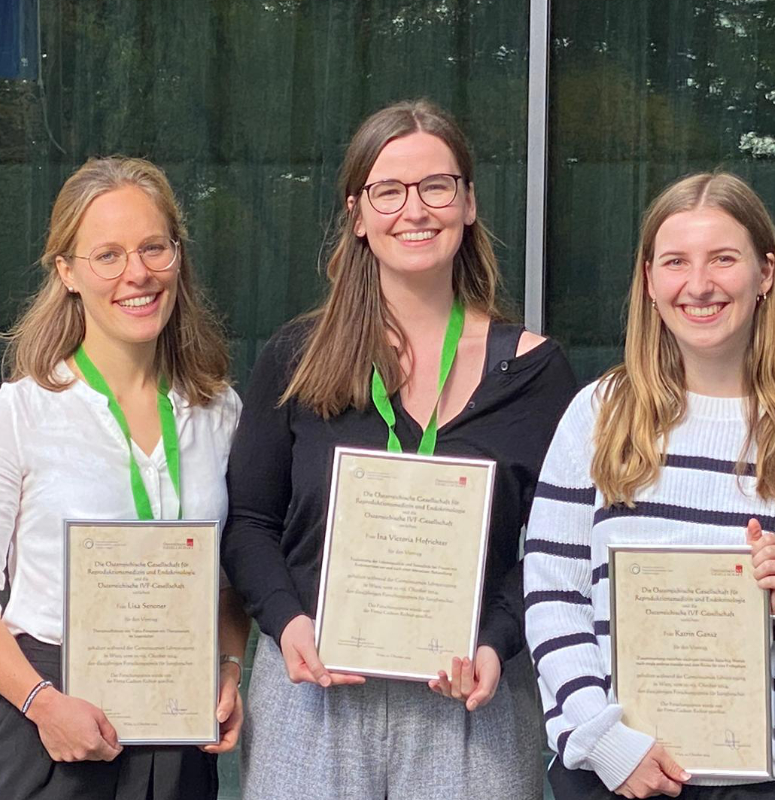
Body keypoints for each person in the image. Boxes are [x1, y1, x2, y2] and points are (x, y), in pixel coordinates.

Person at [221, 99, 575, 800]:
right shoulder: (296, 357)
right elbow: (251, 524)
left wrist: (497, 641)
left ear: (468, 203)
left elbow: (559, 550)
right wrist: (287, 621)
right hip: (314, 694)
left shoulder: (536, 374)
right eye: (388, 190)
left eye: (436, 186)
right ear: (358, 214)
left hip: (471, 697)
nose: (415, 209)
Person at [524, 172, 775, 799]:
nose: (698, 285)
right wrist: (603, 740)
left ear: (766, 273)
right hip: (615, 774)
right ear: (649, 281)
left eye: (723, 259)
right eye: (676, 262)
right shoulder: (598, 414)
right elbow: (552, 595)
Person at [0, 156, 251, 800]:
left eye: (153, 248)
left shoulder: (218, 411)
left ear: (177, 256)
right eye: (107, 255)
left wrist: (228, 669)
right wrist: (40, 703)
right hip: (50, 723)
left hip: (180, 732)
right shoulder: (21, 412)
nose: (136, 274)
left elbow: (229, 583)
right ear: (67, 272)